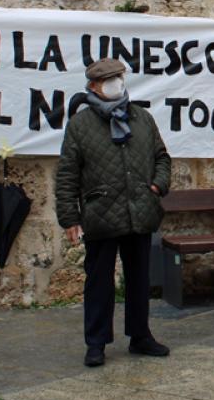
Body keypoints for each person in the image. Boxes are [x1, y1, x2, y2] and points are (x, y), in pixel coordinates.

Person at [54, 58, 172, 367]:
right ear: (93, 86)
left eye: (119, 77)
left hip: (140, 211)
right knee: (99, 281)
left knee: (138, 279)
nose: (117, 83)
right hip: (100, 213)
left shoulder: (142, 118)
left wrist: (157, 187)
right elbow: (67, 174)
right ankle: (96, 342)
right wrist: (69, 217)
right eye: (109, 79)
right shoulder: (80, 125)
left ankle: (140, 335)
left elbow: (161, 157)